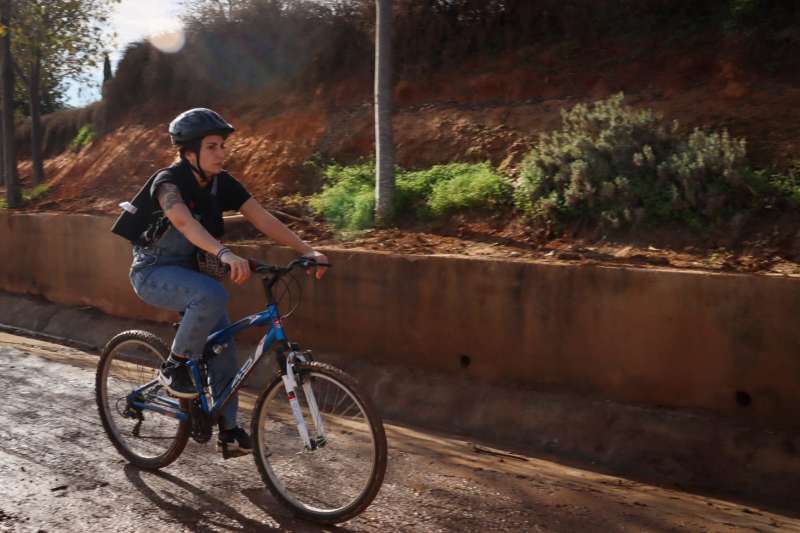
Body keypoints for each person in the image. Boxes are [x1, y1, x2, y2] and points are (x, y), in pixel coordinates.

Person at [128, 108, 328, 454]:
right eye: (212, 147)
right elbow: (183, 223)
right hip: (153, 271)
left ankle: (230, 431)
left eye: (222, 145)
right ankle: (175, 367)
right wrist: (224, 254)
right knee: (211, 294)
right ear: (189, 152)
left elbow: (262, 218)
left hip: (195, 271)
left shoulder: (224, 183)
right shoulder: (168, 182)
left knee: (223, 346)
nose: (222, 153)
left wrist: (307, 249)